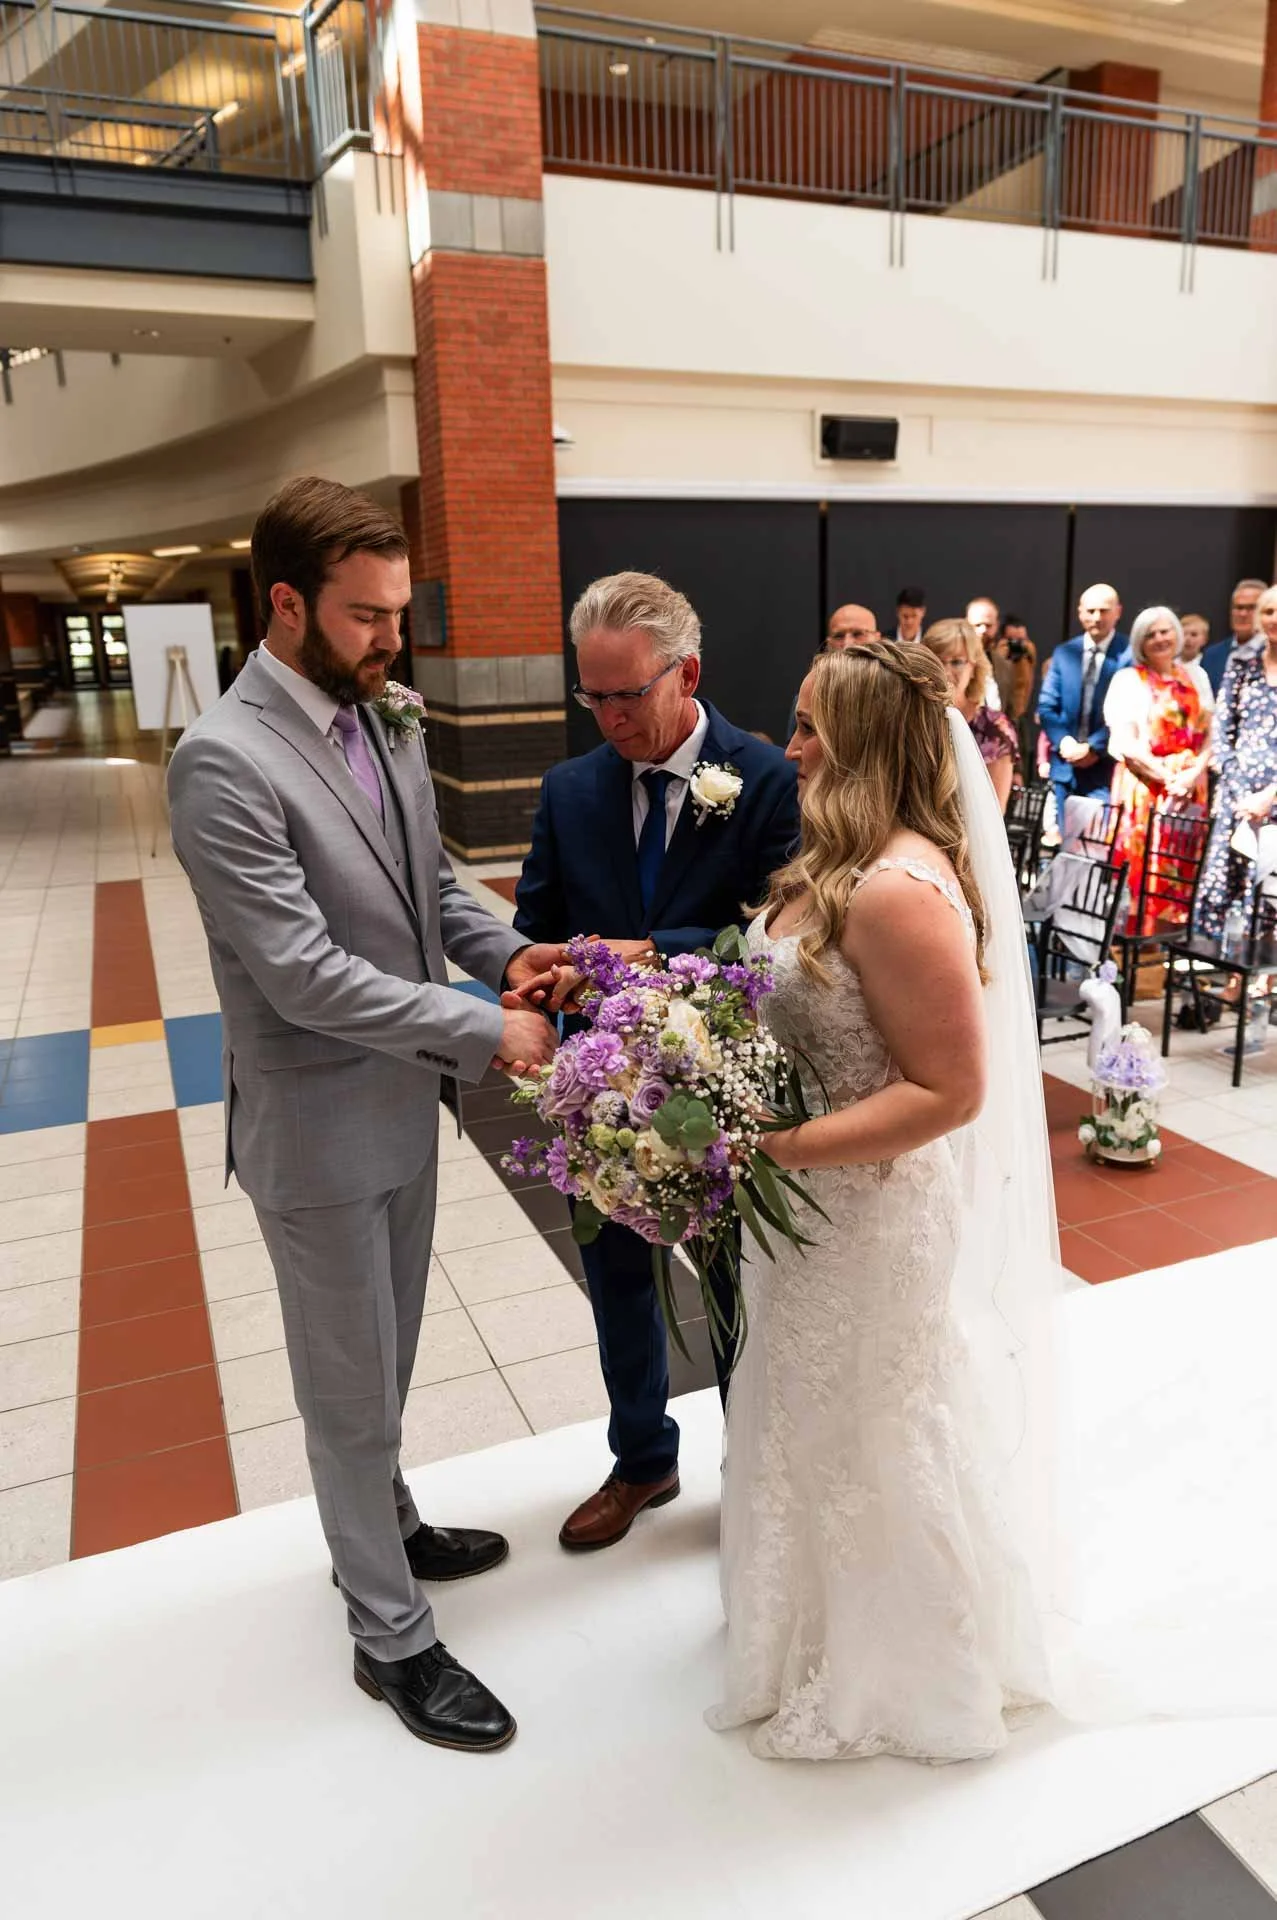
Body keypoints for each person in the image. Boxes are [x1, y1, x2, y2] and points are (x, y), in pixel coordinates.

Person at [168, 477, 564, 1753]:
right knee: (347, 1391)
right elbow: (299, 973)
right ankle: (388, 1638)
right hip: (317, 1132)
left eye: (400, 612)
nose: (395, 639)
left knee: (385, 1365)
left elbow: (424, 886)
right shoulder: (222, 761)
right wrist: (483, 1026)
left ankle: (385, 1524)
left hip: (400, 1101)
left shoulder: (380, 715)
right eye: (368, 616)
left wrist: (509, 955)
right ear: (286, 605)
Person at [709, 641, 1050, 1761]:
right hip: (805, 1211)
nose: (789, 746)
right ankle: (797, 1626)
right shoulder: (833, 861)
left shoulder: (898, 891)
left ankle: (907, 1669)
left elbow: (950, 1092)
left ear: (863, 742)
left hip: (866, 1214)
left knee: (875, 1419)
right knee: (802, 1409)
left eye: (810, 726)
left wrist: (774, 1145)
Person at [514, 571, 800, 1552]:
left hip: (724, 1079)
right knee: (618, 1283)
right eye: (589, 695)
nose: (607, 719)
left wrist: (653, 952)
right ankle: (641, 1459)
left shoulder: (764, 779)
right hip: (603, 1085)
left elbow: (776, 934)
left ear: (688, 675)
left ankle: (752, 1468)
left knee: (732, 1284)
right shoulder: (569, 789)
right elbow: (536, 926)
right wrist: (536, 987)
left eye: (626, 695)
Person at [1104, 607, 1213, 935]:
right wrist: (1168, 777)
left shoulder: (1197, 676)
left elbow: (1213, 734)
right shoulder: (1128, 680)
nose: (1160, 639)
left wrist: (1192, 775)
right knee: (1139, 867)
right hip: (1145, 786)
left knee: (1180, 867)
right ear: (1140, 642)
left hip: (1190, 787)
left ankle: (1166, 946)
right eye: (1150, 634)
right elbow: (1125, 742)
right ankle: (1134, 943)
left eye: (1165, 631)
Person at [1194, 582, 1277, 940]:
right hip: (1237, 796)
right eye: (1269, 611)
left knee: (1269, 890)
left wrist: (1269, 796)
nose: (1274, 619)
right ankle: (1224, 963)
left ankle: (1264, 966)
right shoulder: (1242, 663)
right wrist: (1241, 790)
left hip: (1273, 800)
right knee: (1227, 882)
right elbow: (1223, 728)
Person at [1037, 582, 1129, 829]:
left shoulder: (1129, 655)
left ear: (1118, 611)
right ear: (1080, 612)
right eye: (1091, 611)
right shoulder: (1064, 653)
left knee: (1097, 841)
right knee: (1065, 842)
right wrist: (1065, 743)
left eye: (1104, 610)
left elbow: (1127, 715)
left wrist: (1093, 748)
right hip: (1065, 767)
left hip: (1106, 769)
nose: (1097, 617)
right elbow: (1047, 706)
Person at [920, 616, 1019, 812]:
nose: (945, 672)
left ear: (974, 667)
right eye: (936, 661)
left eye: (957, 662)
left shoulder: (995, 728)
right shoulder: (911, 718)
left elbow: (994, 811)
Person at [786, 602, 879, 736]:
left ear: (878, 638)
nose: (847, 644)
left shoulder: (897, 693)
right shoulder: (808, 698)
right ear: (829, 643)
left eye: (858, 634)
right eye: (839, 636)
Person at [1202, 577, 1266, 696]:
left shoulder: (1272, 655)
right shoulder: (1212, 655)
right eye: (1239, 607)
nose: (1243, 613)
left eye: (1251, 607)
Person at [965, 597, 1004, 710]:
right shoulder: (952, 662)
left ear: (997, 625)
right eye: (977, 625)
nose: (983, 630)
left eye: (988, 625)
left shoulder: (1004, 665)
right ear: (966, 623)